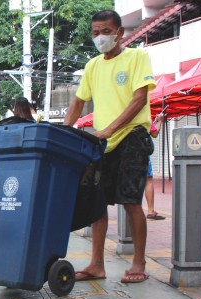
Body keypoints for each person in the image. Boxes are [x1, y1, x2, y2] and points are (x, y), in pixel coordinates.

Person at [64, 10, 155, 284]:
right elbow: (78, 103)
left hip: (132, 136)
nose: (100, 37)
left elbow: (139, 99)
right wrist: (65, 133)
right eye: (95, 33)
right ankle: (97, 265)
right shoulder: (93, 66)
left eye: (105, 31)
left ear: (119, 32)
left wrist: (110, 128)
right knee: (97, 202)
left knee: (130, 201)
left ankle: (138, 262)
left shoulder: (137, 57)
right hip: (104, 142)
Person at [145, 113, 165, 220]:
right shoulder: (144, 116)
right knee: (148, 180)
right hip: (142, 153)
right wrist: (160, 121)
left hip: (128, 151)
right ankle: (150, 210)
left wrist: (155, 121)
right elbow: (154, 133)